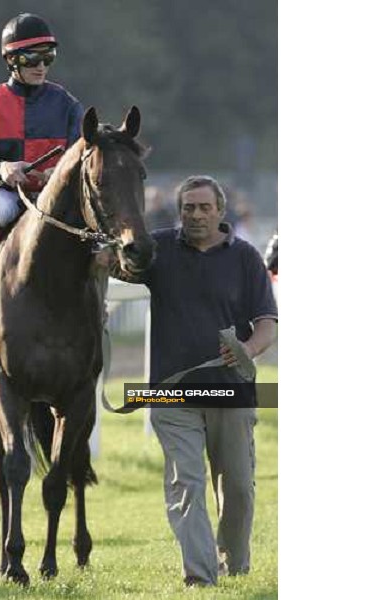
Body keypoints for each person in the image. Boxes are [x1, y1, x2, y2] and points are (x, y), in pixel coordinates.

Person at [109, 175, 278, 587]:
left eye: (204, 208)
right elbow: (120, 262)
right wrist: (103, 257)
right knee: (186, 482)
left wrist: (248, 350)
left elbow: (267, 323)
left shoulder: (246, 258)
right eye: (188, 208)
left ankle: (232, 564)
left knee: (236, 486)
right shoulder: (161, 248)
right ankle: (200, 577)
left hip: (230, 389)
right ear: (178, 211)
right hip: (173, 392)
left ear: (221, 211)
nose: (196, 215)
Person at [0, 13, 85, 288]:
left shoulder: (69, 105)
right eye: (31, 59)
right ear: (11, 60)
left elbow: (80, 156)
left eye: (48, 57)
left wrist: (60, 172)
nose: (41, 67)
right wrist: (2, 168)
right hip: (11, 195)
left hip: (57, 197)